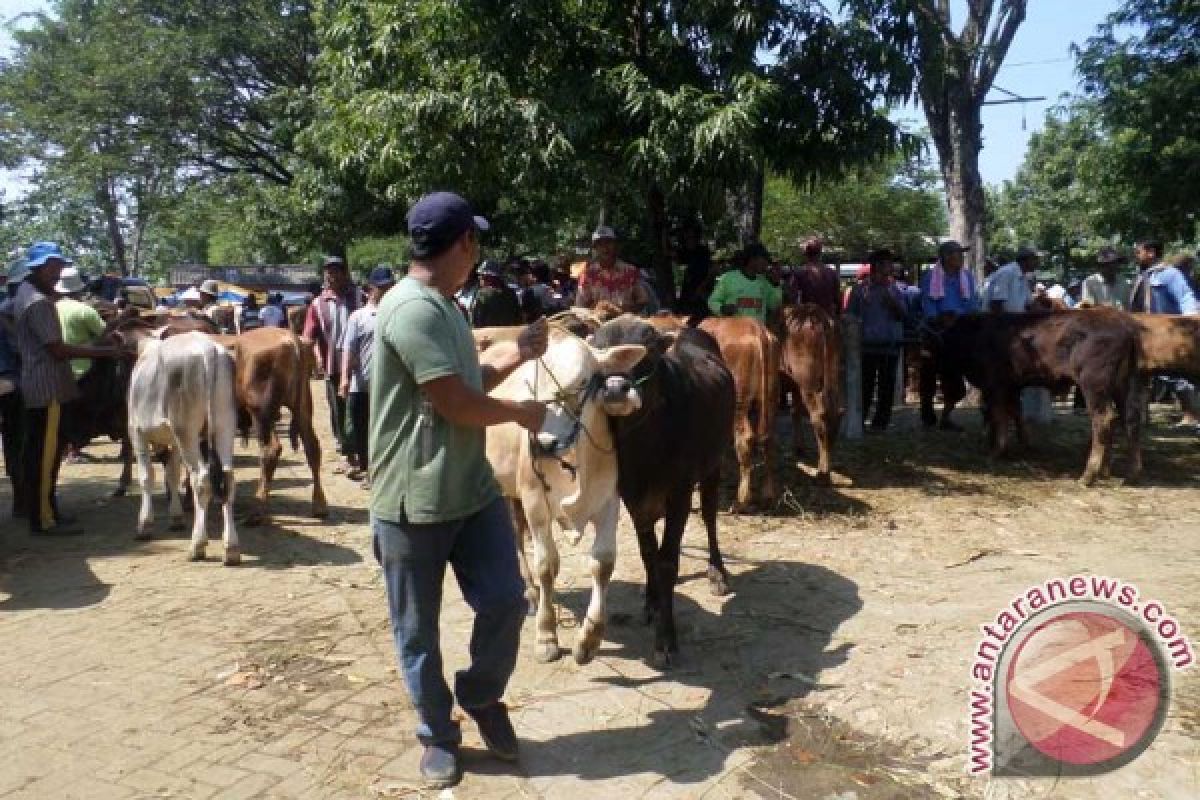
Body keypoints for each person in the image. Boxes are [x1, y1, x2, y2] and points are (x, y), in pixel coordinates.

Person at [371, 191, 548, 787]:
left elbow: (467, 378)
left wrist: (518, 349)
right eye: (477, 242)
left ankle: (480, 694)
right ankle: (438, 735)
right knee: (417, 633)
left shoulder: (446, 306)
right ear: (465, 245)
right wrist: (521, 415)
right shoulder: (411, 309)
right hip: (412, 502)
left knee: (505, 601)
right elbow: (453, 403)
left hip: (471, 492)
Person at [12, 243, 122, 535]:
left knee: (40, 453)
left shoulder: (24, 295)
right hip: (48, 387)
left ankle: (45, 511)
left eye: (59, 266)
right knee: (46, 456)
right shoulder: (38, 303)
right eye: (53, 266)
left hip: (38, 382)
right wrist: (106, 353)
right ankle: (44, 519)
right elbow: (58, 350)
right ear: (38, 267)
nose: (57, 271)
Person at [1130, 240, 1200, 428]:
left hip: (1167, 332)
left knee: (1175, 375)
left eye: (1139, 252)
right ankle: (1140, 419)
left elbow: (1186, 297)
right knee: (1139, 374)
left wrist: (1192, 321)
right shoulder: (1142, 276)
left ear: (1151, 252)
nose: (1136, 255)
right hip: (1144, 332)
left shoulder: (1169, 274)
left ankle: (1191, 415)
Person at [304, 255, 362, 469]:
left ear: (345, 273)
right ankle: (347, 452)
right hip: (333, 365)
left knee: (359, 407)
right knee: (338, 409)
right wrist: (317, 358)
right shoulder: (318, 304)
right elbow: (310, 335)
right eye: (329, 271)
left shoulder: (358, 297)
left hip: (360, 364)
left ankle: (361, 451)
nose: (333, 275)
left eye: (337, 270)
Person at [339, 266, 395, 486]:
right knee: (363, 431)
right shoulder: (358, 317)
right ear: (371, 289)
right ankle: (370, 470)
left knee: (386, 430)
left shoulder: (395, 313)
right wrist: (344, 377)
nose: (387, 290)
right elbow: (348, 349)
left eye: (390, 286)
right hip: (362, 385)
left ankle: (383, 472)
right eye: (383, 287)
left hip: (388, 385)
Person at [918, 240, 978, 430]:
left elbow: (972, 304)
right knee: (928, 376)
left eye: (961, 254)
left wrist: (970, 319)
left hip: (959, 332)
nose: (961, 257)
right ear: (945, 257)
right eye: (957, 253)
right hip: (934, 332)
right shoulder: (930, 277)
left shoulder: (967, 277)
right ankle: (927, 416)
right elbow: (928, 305)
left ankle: (946, 415)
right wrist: (938, 319)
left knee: (955, 378)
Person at [847, 249, 907, 430]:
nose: (890, 267)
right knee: (865, 386)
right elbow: (849, 316)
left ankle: (880, 423)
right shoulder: (859, 290)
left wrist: (893, 304)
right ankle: (861, 419)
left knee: (887, 387)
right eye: (887, 263)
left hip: (890, 345)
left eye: (891, 263)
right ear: (876, 267)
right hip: (867, 346)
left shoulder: (895, 289)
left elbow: (903, 315)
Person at [0, 262, 28, 518]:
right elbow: (21, 349)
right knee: (16, 438)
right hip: (11, 380)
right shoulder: (12, 310)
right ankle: (21, 497)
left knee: (12, 441)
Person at [574, 226, 650, 313]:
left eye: (608, 243)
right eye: (600, 244)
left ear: (615, 245)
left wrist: (626, 311)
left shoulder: (630, 271)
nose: (605, 248)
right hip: (598, 323)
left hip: (626, 323)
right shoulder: (587, 275)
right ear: (595, 248)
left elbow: (643, 300)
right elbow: (579, 306)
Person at [707, 242, 783, 324]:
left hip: (757, 333)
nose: (767, 264)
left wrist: (776, 284)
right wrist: (722, 309)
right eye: (764, 260)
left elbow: (774, 305)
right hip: (733, 332)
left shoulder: (764, 283)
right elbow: (712, 301)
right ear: (752, 259)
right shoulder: (728, 278)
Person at [786, 237, 841, 317]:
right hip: (828, 319)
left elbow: (792, 298)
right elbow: (838, 299)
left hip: (808, 318)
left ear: (805, 254)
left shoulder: (799, 273)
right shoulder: (832, 273)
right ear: (820, 253)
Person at [986, 245, 1039, 313]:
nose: (1037, 262)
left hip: (1016, 321)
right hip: (1002, 322)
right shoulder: (1007, 273)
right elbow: (996, 305)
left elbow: (1030, 304)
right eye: (1035, 259)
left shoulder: (1024, 278)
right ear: (1024, 260)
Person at [470, 261, 522, 327]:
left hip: (488, 335)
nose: (480, 278)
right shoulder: (511, 293)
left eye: (481, 276)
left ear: (488, 277)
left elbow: (477, 320)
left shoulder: (483, 294)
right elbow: (518, 318)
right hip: (510, 334)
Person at [676, 225, 713, 315]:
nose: (689, 240)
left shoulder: (703, 251)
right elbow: (670, 254)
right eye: (687, 238)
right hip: (688, 294)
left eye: (691, 237)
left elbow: (712, 272)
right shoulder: (685, 252)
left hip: (703, 292)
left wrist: (701, 288)